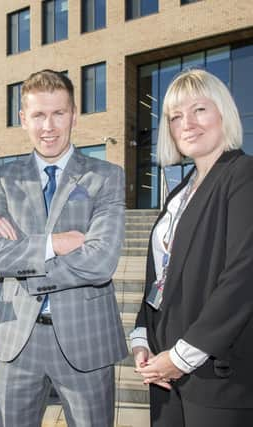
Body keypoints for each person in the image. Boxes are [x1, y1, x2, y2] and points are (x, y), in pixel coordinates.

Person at [0, 69, 127, 427]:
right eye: (39, 115)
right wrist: (53, 244)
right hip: (16, 344)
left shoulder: (106, 176)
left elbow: (100, 261)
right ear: (23, 119)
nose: (49, 126)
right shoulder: (4, 179)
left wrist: (22, 262)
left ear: (74, 114)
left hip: (86, 338)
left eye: (59, 113)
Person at [131, 69, 253, 426]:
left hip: (217, 376)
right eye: (175, 116)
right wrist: (142, 340)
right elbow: (161, 277)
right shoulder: (178, 193)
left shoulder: (243, 175)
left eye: (199, 109)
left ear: (223, 114)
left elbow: (243, 277)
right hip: (166, 374)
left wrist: (182, 356)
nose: (187, 123)